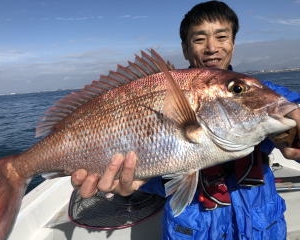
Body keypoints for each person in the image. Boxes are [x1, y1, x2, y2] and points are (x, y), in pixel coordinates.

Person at [71, 1, 300, 239]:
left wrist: (294, 132)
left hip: (261, 227)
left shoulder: (262, 91)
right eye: (199, 39)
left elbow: (289, 107)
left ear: (232, 42)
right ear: (185, 48)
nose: (212, 48)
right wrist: (138, 182)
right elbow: (158, 163)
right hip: (191, 228)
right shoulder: (167, 89)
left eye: (222, 36)